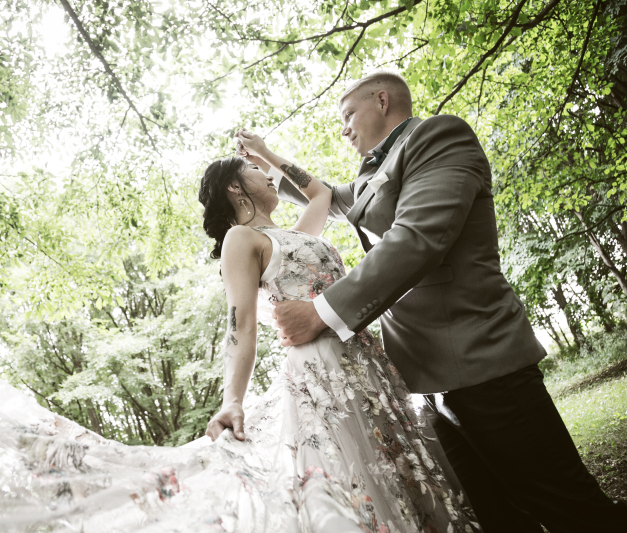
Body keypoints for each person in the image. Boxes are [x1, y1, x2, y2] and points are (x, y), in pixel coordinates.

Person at [268, 69, 627, 533]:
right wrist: (264, 160)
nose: (344, 128)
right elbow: (323, 197)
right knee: (498, 519)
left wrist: (321, 312)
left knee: (571, 510)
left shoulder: (438, 136)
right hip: (429, 384)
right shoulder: (376, 174)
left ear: (382, 100)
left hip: (483, 363)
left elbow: (419, 238)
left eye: (348, 114)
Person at [199, 145, 478, 531]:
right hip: (321, 372)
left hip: (365, 362)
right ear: (234, 186)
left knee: (400, 468)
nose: (266, 174)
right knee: (363, 478)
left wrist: (265, 152)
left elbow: (321, 194)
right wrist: (233, 399)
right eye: (253, 169)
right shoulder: (242, 239)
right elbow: (240, 324)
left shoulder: (292, 235)